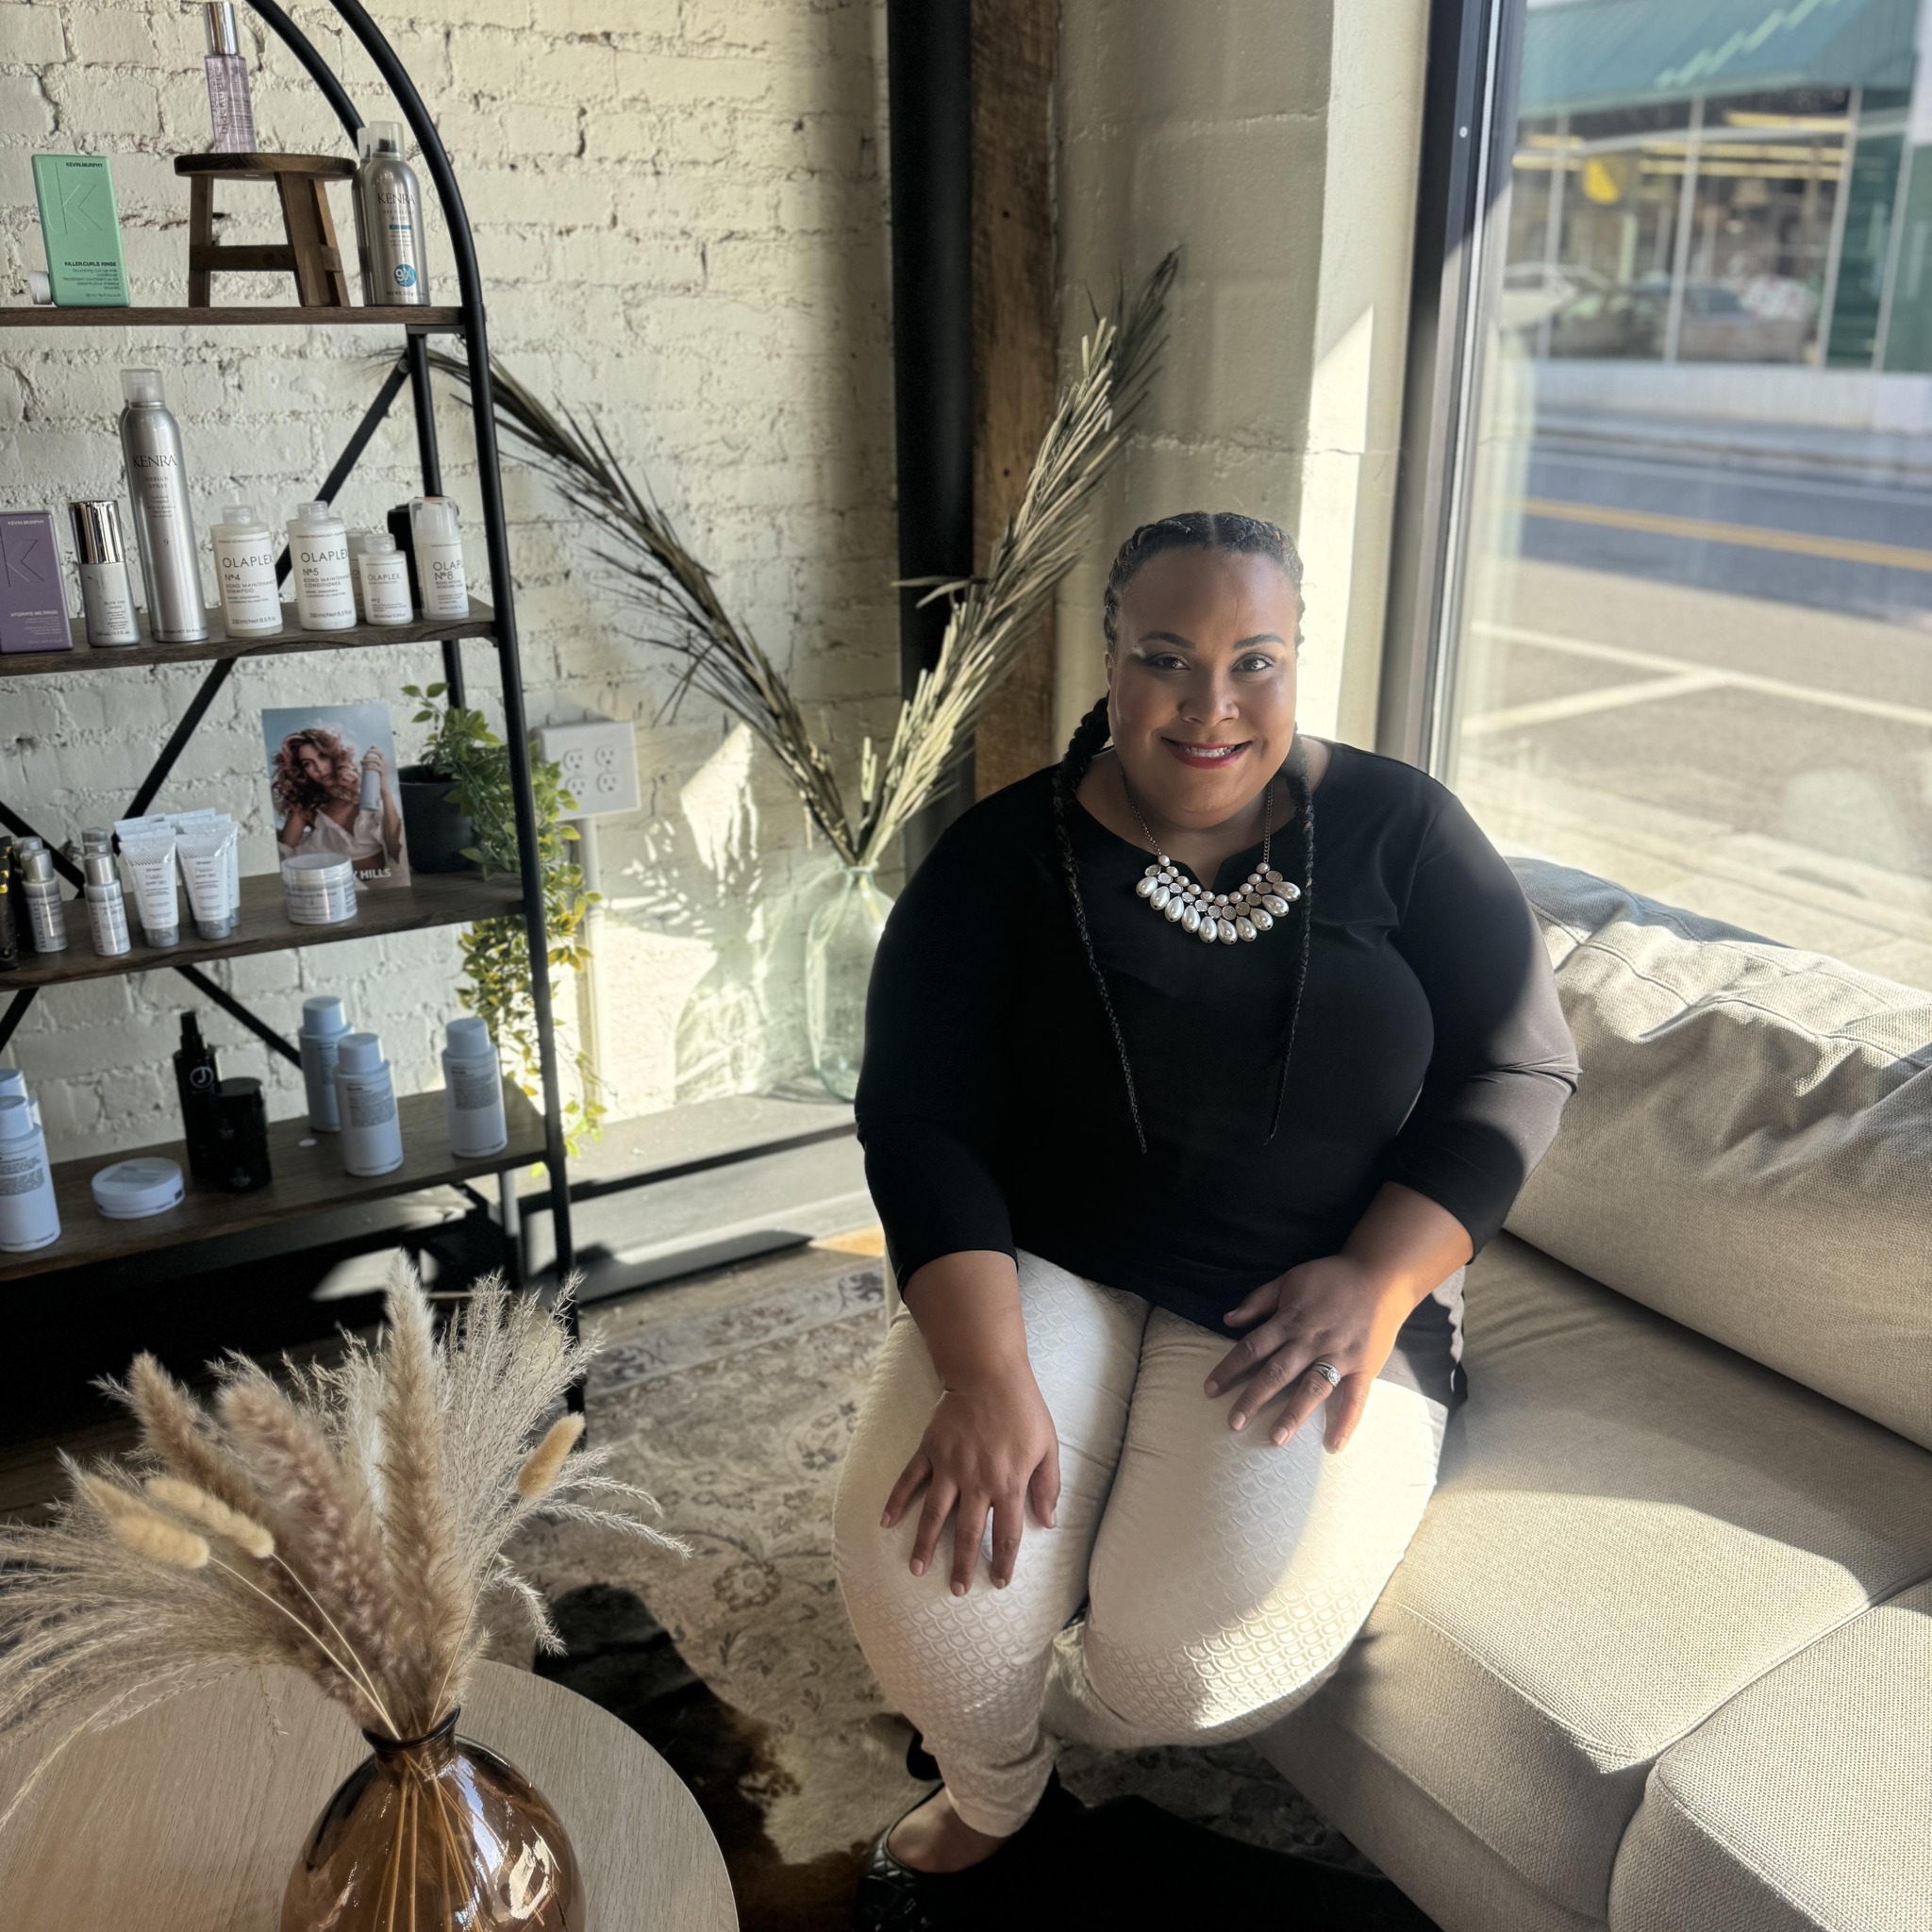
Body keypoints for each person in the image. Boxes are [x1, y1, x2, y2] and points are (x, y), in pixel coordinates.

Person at [833, 512, 1583, 1925]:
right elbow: (918, 1113)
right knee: (937, 1612)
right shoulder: (1005, 855)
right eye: (1166, 657)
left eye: (1255, 661)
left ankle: (1050, 1678)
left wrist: (1377, 1280)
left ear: (1298, 660)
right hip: (1051, 1260)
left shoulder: (1404, 828)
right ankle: (995, 1792)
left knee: (1191, 1671)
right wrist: (985, 1375)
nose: (1210, 704)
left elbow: (1516, 1067)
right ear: (1110, 658)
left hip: (1310, 1287)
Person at [272, 725, 405, 887]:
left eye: (322, 756)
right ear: (302, 771)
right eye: (307, 764)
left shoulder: (369, 792)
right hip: (339, 890)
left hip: (390, 885)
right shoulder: (309, 810)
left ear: (336, 756)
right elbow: (285, 857)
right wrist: (297, 804)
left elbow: (397, 853)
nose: (319, 768)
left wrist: (384, 791)